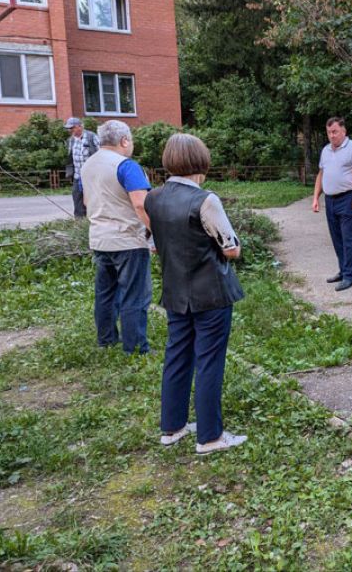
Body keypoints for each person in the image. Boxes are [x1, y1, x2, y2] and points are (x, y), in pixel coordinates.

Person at [145, 133, 247, 455]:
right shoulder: (206, 200)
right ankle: (210, 437)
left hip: (175, 292)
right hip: (211, 295)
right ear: (200, 163)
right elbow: (230, 249)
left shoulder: (153, 198)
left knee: (176, 357)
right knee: (209, 361)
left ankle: (172, 428)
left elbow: (152, 244)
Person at [80, 120, 152, 355]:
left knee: (106, 293)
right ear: (124, 141)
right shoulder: (126, 166)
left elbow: (85, 201)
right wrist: (156, 235)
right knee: (135, 295)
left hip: (99, 238)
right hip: (128, 239)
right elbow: (141, 204)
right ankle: (136, 347)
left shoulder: (88, 165)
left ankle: (106, 339)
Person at [311, 117, 352, 291]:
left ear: (344, 131)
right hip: (330, 200)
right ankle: (343, 271)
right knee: (337, 238)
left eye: (335, 131)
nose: (332, 135)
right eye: (329, 132)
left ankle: (350, 276)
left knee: (349, 239)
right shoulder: (326, 150)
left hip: (348, 198)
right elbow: (321, 174)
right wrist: (315, 198)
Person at [65, 117, 100, 217]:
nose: (70, 130)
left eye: (72, 128)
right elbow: (70, 157)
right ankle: (79, 223)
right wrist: (69, 171)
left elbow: (101, 153)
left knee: (93, 199)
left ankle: (94, 219)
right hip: (78, 175)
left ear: (80, 126)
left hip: (92, 175)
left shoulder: (91, 137)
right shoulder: (71, 140)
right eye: (69, 128)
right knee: (77, 198)